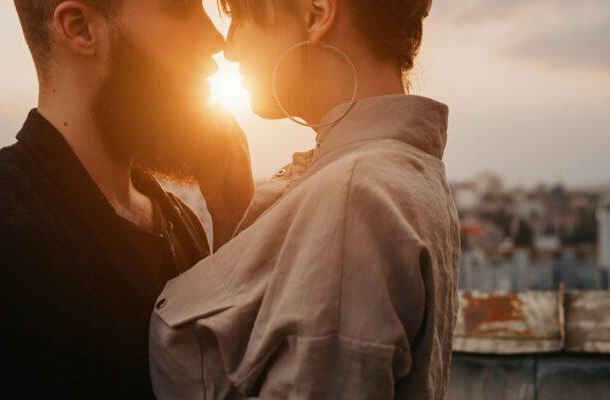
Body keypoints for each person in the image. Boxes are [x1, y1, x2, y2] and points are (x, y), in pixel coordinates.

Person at [0, 0, 253, 398]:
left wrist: (233, 223)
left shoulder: (178, 219)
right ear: (80, 28)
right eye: (180, 8)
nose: (214, 38)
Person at [149, 0, 460, 398]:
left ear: (316, 14)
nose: (230, 48)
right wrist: (234, 215)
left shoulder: (356, 197)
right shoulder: (392, 175)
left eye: (242, 17)